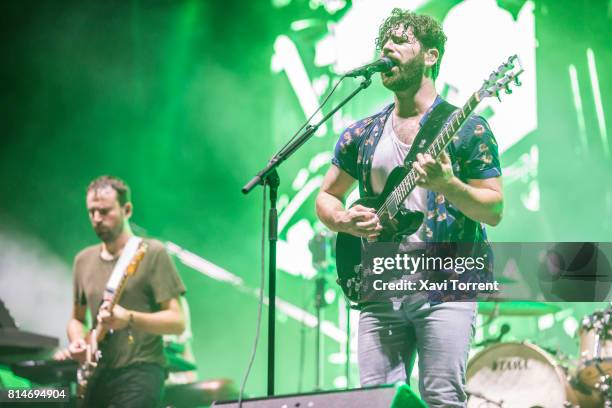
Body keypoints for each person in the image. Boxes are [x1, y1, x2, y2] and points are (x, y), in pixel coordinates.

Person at [315, 9, 503, 407]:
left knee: (441, 397)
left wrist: (448, 185)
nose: (387, 47)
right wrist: (344, 221)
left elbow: (494, 209)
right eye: (384, 41)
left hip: (447, 284)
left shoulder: (468, 126)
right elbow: (326, 198)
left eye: (400, 40)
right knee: (379, 400)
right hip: (380, 283)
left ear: (431, 56)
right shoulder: (362, 132)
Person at [55, 175, 186, 408]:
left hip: (142, 370)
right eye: (91, 212)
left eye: (104, 211)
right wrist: (79, 342)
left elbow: (177, 321)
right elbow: (76, 319)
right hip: (98, 373)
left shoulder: (152, 252)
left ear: (127, 210)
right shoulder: (83, 260)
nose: (96, 219)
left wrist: (130, 318)